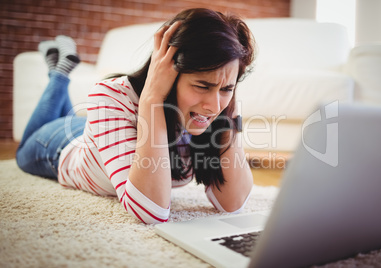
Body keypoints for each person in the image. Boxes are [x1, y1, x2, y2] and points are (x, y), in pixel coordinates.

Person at [16, 8, 255, 224]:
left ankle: (58, 69)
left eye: (226, 88)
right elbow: (151, 212)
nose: (214, 106)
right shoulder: (110, 95)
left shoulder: (220, 108)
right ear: (168, 71)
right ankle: (59, 75)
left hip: (107, 129)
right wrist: (152, 99)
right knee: (23, 149)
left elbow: (232, 203)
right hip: (60, 148)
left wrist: (229, 114)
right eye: (202, 86)